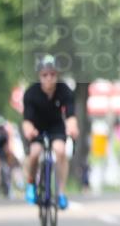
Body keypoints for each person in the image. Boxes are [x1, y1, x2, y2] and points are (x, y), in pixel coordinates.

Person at [21, 55, 79, 209]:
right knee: (34, 153)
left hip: (56, 126)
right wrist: (29, 130)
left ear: (57, 75)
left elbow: (71, 115)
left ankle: (60, 192)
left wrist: (72, 127)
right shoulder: (31, 93)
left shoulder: (64, 90)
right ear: (39, 76)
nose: (49, 78)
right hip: (37, 127)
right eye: (45, 75)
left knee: (60, 151)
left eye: (52, 74)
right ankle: (31, 183)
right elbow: (27, 119)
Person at [0, 116, 18, 196]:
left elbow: (10, 142)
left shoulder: (7, 132)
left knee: (8, 167)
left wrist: (10, 150)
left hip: (5, 150)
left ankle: (9, 185)